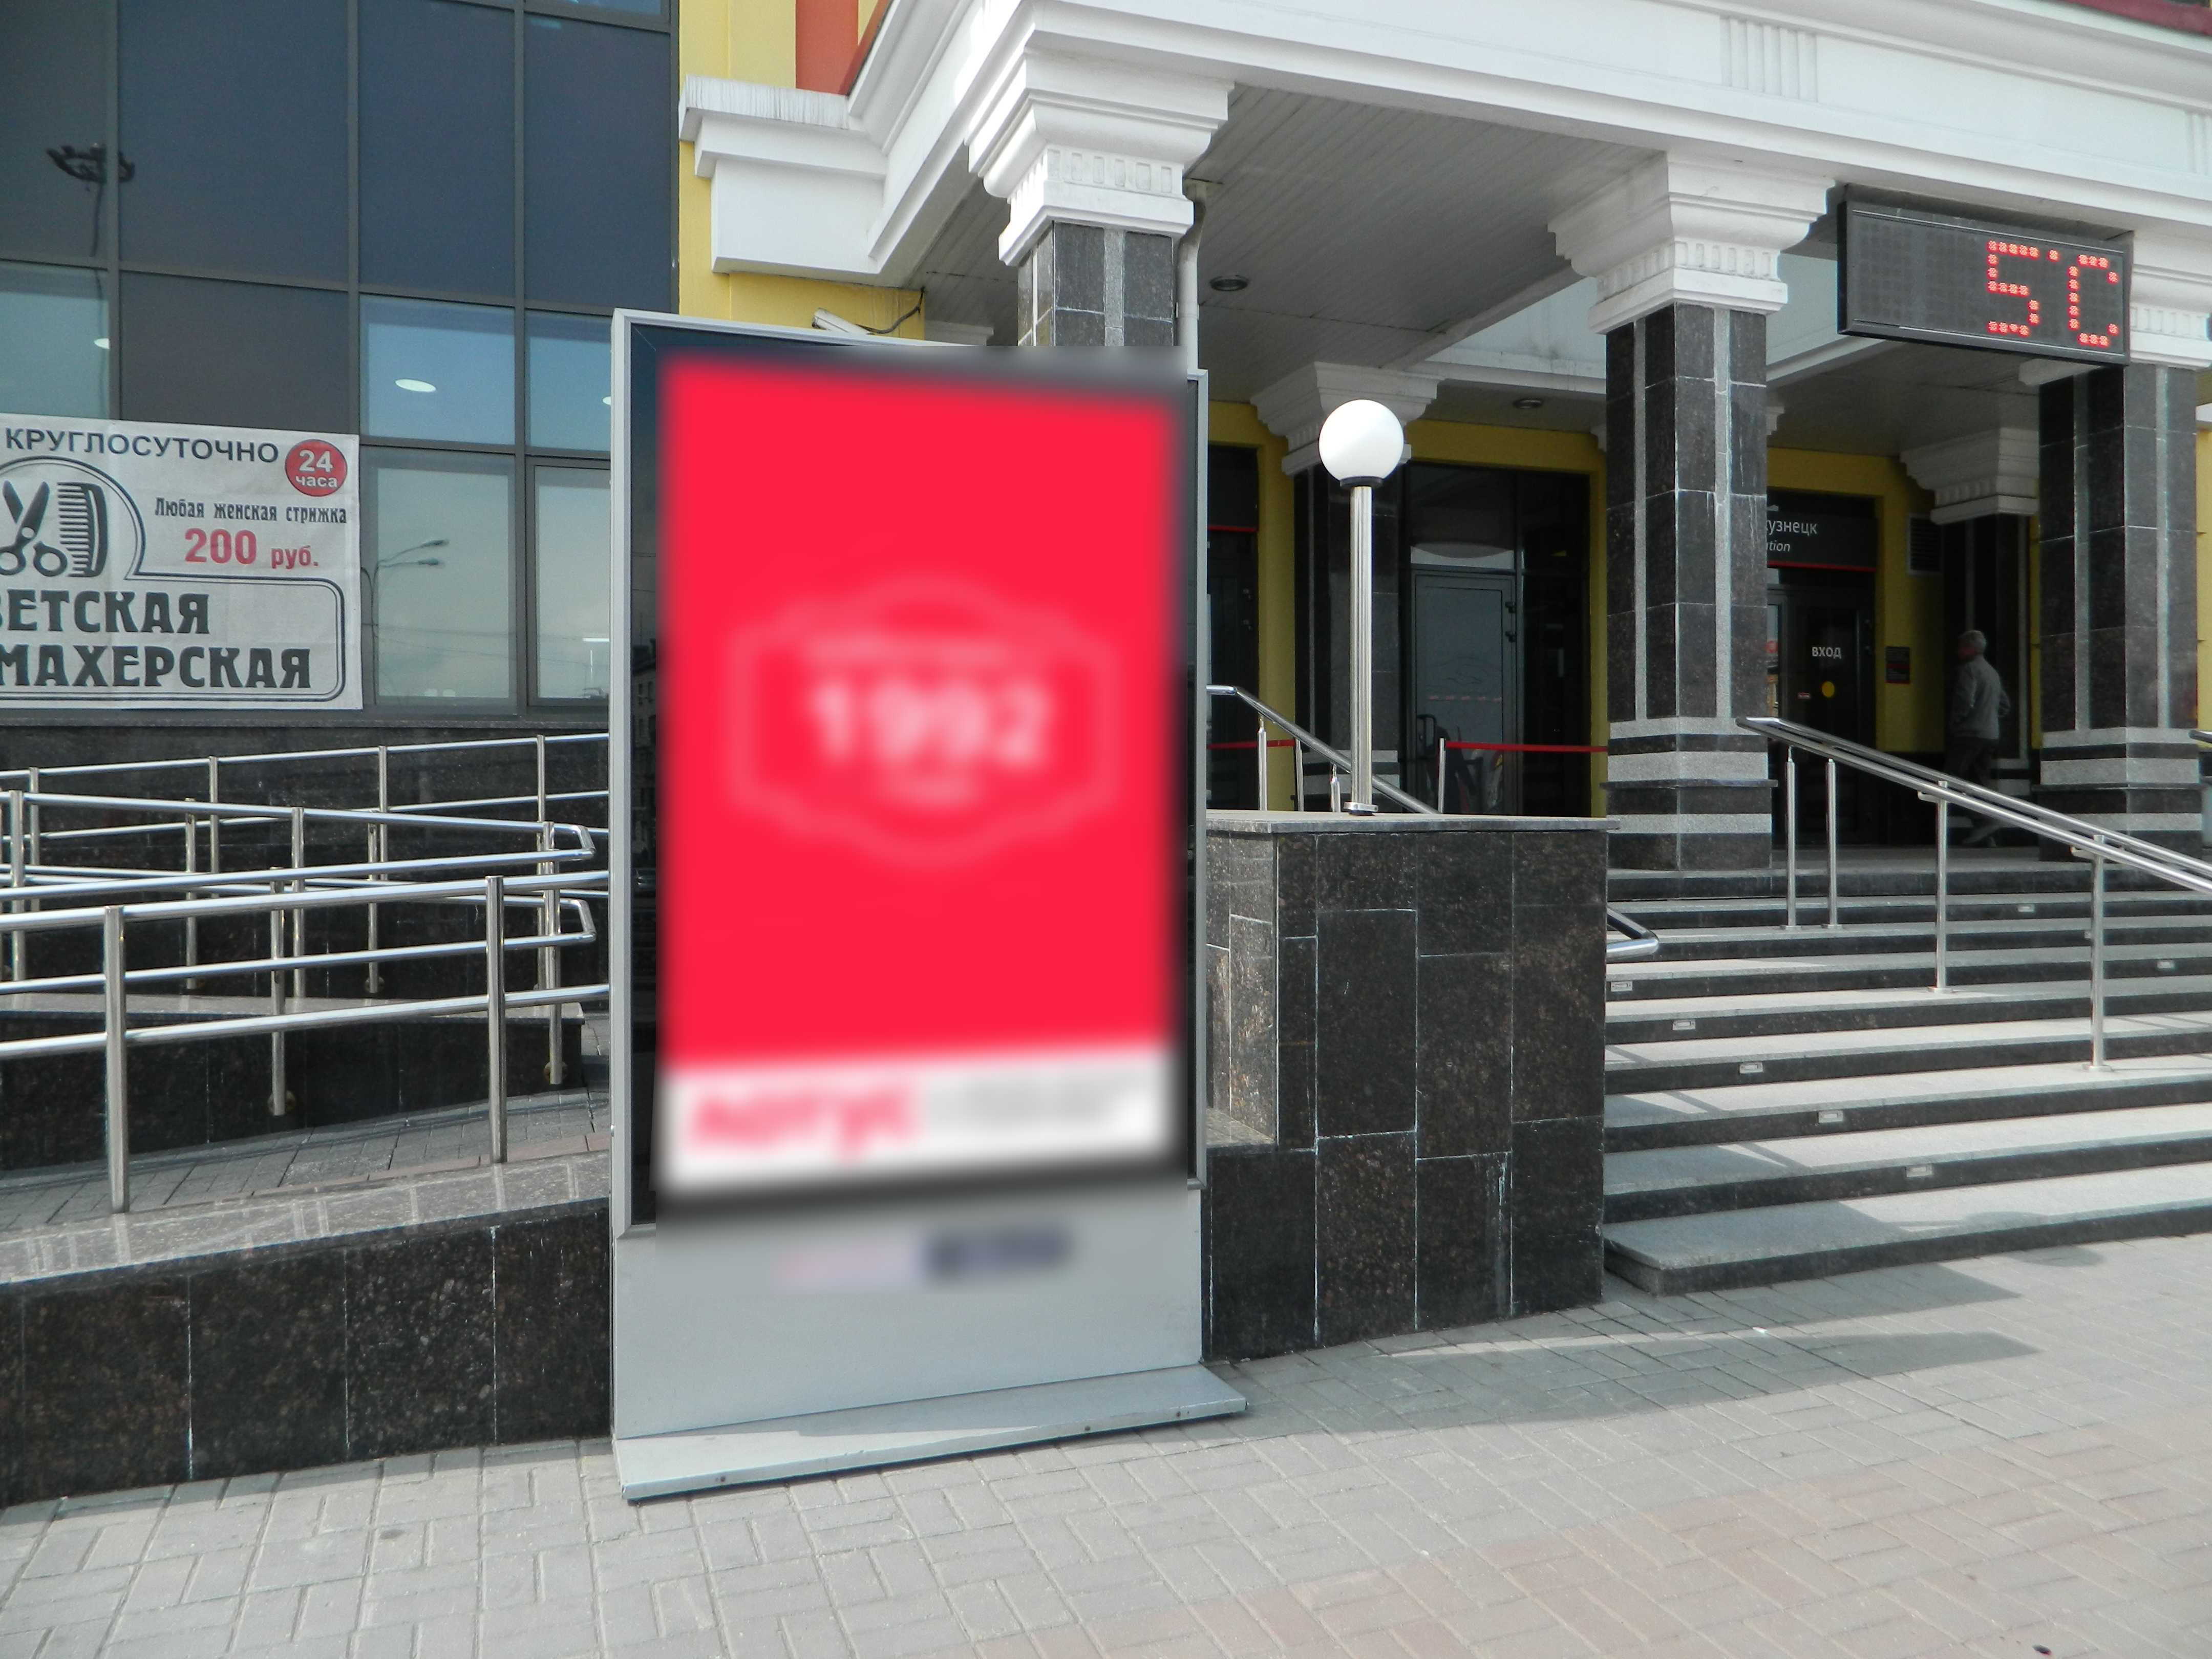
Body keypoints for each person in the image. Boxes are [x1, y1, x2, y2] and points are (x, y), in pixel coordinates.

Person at [1947, 630, 2011, 846]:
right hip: (1991, 734)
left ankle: (1984, 821)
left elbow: (1964, 701)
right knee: (1980, 780)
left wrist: (1956, 722)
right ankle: (1986, 833)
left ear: (1969, 649)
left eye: (1961, 647)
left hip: (1969, 734)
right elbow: (2005, 705)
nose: (1958, 651)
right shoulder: (1992, 672)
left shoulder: (1968, 670)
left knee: (1952, 779)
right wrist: (1988, 717)